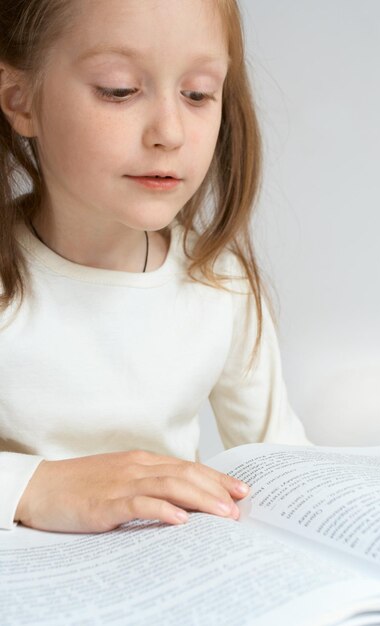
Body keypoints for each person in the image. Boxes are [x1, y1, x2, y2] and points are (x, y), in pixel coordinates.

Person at [0, 0, 309, 534]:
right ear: (19, 99)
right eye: (119, 89)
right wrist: (39, 485)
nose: (169, 131)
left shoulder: (222, 282)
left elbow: (285, 463)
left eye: (197, 94)